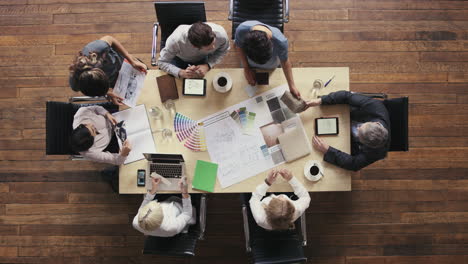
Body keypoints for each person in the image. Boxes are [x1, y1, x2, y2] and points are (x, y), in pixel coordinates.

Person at [306, 90, 390, 171]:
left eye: (359, 134)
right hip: (343, 115)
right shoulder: (376, 107)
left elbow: (353, 164)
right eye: (361, 126)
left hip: (346, 142)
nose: (358, 128)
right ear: (376, 123)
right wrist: (321, 100)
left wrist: (327, 150)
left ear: (365, 144)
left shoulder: (377, 152)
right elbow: (347, 96)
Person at [69, 35, 147, 105]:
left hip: (127, 65)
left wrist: (131, 60)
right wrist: (107, 93)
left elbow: (110, 39)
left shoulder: (96, 49)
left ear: (101, 72)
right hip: (118, 84)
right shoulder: (76, 84)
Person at [235, 20, 300, 98]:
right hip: (249, 63)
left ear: (271, 44)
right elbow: (239, 46)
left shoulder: (280, 42)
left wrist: (292, 85)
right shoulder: (241, 30)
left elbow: (285, 61)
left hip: (271, 65)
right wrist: (246, 67)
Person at [157, 22, 230, 79]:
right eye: (208, 48)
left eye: (214, 43)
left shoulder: (221, 35)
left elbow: (222, 50)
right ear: (194, 46)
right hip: (179, 59)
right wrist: (180, 72)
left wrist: (208, 65)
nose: (214, 48)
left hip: (203, 59)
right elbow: (161, 62)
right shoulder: (175, 42)